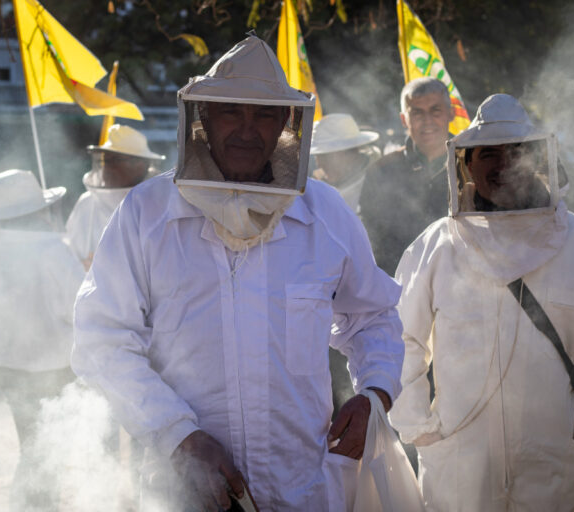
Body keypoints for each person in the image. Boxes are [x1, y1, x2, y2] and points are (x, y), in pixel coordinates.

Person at [71, 35, 403, 512]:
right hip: (187, 489)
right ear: (203, 117)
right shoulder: (146, 213)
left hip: (303, 485)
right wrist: (177, 435)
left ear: (285, 123)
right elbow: (101, 337)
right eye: (231, 112)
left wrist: (375, 391)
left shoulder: (325, 212)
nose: (247, 129)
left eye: (264, 114)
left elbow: (374, 316)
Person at [389, 94, 574, 511]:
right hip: (461, 463)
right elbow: (401, 340)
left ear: (537, 158)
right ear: (467, 164)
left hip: (554, 462)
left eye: (516, 151)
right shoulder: (435, 247)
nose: (503, 164)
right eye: (489, 154)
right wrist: (421, 431)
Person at [0, 170, 84, 502]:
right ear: (37, 210)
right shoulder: (54, 252)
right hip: (52, 370)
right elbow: (80, 309)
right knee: (46, 453)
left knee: (33, 448)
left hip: (6, 367)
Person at [358, 77, 453, 274]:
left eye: (435, 110)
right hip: (400, 281)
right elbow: (370, 237)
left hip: (462, 282)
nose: (427, 121)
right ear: (403, 120)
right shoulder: (382, 170)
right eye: (417, 113)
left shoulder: (471, 165)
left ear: (451, 113)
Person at [65, 124, 165, 270]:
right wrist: (81, 265)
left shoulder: (159, 203)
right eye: (105, 160)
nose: (107, 167)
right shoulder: (87, 203)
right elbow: (69, 254)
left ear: (140, 165)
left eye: (115, 160)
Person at [310, 113, 381, 213]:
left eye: (324, 156)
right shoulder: (320, 191)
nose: (319, 164)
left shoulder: (376, 187)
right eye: (317, 156)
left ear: (350, 154)